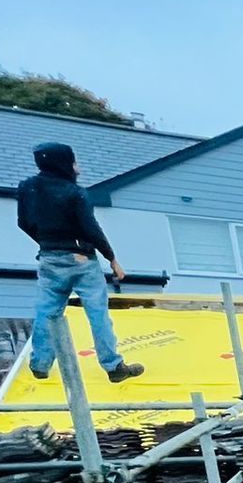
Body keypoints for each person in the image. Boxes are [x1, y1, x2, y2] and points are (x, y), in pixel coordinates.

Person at [15, 142, 144, 383]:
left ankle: (40, 364)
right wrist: (112, 258)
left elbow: (23, 223)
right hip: (81, 258)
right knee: (97, 313)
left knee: (47, 312)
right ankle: (113, 366)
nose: (79, 169)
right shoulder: (74, 193)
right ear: (64, 163)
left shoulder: (27, 188)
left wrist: (46, 242)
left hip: (49, 257)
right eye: (75, 163)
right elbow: (91, 229)